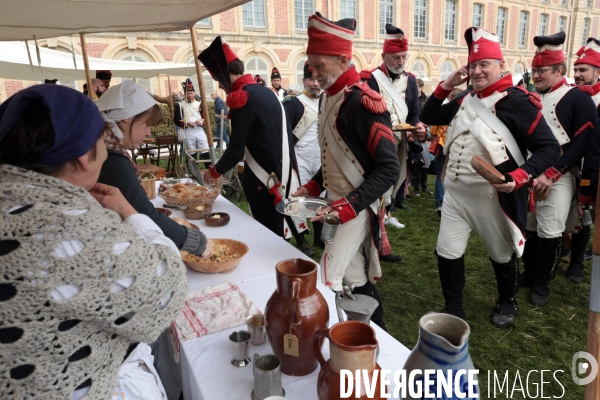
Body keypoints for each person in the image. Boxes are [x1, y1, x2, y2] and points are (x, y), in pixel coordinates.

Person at [0, 84, 187, 399]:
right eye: (100, 139)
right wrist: (130, 214)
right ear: (84, 156)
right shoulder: (71, 231)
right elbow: (165, 288)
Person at [420, 27, 560, 328]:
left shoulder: (518, 101)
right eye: (473, 65)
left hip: (491, 196)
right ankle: (454, 308)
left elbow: (549, 149)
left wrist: (520, 176)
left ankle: (507, 301)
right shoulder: (467, 98)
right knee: (446, 250)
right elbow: (429, 116)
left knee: (501, 252)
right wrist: (446, 85)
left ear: (501, 66)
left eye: (484, 64)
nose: (477, 70)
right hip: (456, 194)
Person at [293, 13, 401, 330]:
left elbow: (388, 169)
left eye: (319, 65)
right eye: (311, 65)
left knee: (329, 277)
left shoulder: (361, 102)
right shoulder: (329, 97)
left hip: (357, 205)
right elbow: (333, 157)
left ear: (342, 59)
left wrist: (346, 206)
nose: (313, 72)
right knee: (353, 277)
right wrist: (313, 187)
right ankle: (371, 332)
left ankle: (357, 337)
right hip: (338, 205)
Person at [200, 37, 306, 241]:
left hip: (261, 176)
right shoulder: (266, 91)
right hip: (281, 169)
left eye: (219, 81)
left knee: (266, 232)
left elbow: (236, 150)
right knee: (276, 227)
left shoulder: (242, 97)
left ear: (225, 74)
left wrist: (214, 172)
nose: (221, 87)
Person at [520, 32, 597, 307]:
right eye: (534, 70)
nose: (536, 75)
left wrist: (553, 173)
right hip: (530, 171)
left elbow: (581, 143)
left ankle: (543, 281)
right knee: (528, 227)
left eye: (541, 71)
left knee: (550, 229)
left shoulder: (578, 98)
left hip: (560, 174)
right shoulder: (529, 96)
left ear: (559, 70)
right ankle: (530, 273)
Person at [96, 80, 214, 259]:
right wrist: (197, 242)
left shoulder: (106, 144)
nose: (149, 133)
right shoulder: (111, 156)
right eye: (147, 124)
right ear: (127, 117)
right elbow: (142, 212)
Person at [359, 23, 426, 236]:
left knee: (395, 180)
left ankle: (384, 218)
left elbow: (414, 112)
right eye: (396, 57)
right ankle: (376, 226)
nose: (401, 62)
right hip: (377, 142)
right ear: (384, 55)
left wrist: (417, 126)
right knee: (378, 181)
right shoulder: (370, 78)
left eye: (404, 57)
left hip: (400, 142)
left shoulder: (412, 81)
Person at [283, 61, 324, 251]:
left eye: (318, 79)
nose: (315, 84)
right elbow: (285, 136)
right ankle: (301, 239)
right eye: (311, 79)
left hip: (323, 159)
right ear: (304, 80)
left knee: (322, 199)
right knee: (301, 201)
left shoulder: (328, 100)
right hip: (301, 159)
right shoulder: (293, 103)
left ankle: (319, 236)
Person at [569, 37, 600, 282]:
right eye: (576, 70)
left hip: (592, 170)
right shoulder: (570, 96)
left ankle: (577, 263)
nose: (578, 75)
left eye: (583, 70)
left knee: (584, 216)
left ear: (597, 72)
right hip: (570, 168)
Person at [430, 87, 463, 216]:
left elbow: (433, 131)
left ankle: (440, 204)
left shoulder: (444, 111)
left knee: (440, 175)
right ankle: (454, 204)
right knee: (456, 175)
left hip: (442, 146)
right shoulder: (464, 112)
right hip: (457, 146)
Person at [175, 79, 210, 165]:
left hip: (199, 131)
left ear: (194, 93)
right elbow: (176, 120)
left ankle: (209, 171)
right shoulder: (179, 105)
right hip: (188, 131)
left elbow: (206, 118)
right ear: (184, 94)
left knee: (205, 151)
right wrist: (187, 123)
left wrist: (201, 122)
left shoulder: (200, 103)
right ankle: (195, 172)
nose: (190, 95)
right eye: (188, 94)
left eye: (191, 93)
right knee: (192, 154)